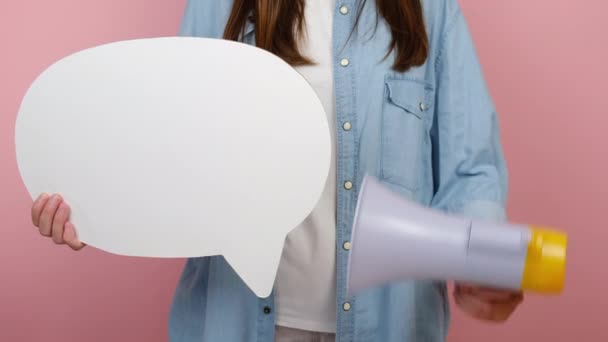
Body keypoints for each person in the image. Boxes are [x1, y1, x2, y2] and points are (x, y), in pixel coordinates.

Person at [30, 0, 524, 341]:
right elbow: (170, 155)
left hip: (392, 324)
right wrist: (93, 208)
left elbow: (470, 170)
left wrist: (486, 263)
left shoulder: (428, 9)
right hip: (237, 322)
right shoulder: (221, 4)